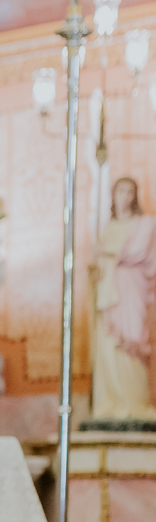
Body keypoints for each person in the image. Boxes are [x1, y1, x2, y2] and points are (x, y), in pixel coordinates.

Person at [91, 175, 156, 421]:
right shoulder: (109, 228)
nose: (125, 197)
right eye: (120, 192)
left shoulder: (144, 224)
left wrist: (105, 251)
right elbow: (95, 262)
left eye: (130, 192)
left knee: (132, 340)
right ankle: (112, 402)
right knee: (109, 344)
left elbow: (139, 252)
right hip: (108, 293)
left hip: (131, 289)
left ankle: (135, 403)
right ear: (113, 196)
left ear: (135, 196)